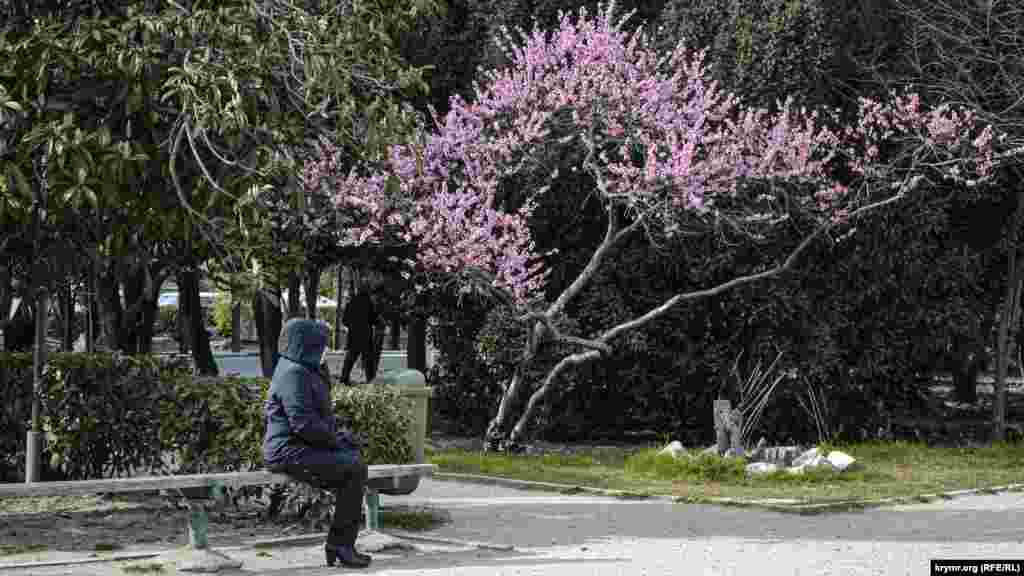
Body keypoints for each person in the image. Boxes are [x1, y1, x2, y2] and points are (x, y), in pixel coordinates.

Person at [263, 318, 371, 568]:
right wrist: (335, 442)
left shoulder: (303, 369)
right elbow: (303, 423)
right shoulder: (294, 373)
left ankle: (340, 544)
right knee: (353, 469)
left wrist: (341, 440)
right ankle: (341, 545)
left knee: (354, 463)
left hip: (299, 446)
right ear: (306, 344)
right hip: (287, 451)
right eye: (322, 345)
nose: (326, 350)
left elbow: (317, 417)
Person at [340, 279, 379, 385]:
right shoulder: (369, 302)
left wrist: (353, 325)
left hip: (353, 335)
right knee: (368, 360)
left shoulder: (351, 302)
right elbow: (374, 319)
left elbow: (344, 320)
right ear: (367, 290)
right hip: (366, 336)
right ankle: (370, 380)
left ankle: (344, 378)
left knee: (350, 358)